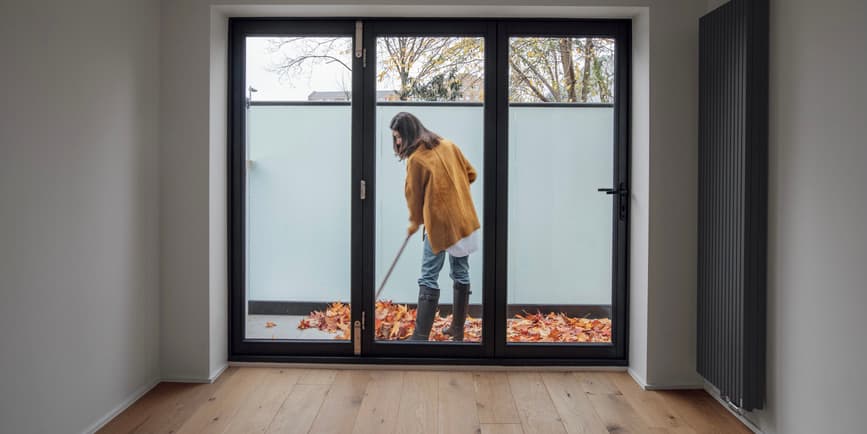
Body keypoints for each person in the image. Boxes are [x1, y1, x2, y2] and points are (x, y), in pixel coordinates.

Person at [390, 112, 481, 342]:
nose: (397, 142)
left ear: (408, 134)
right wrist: (454, 195)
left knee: (428, 276)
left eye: (398, 136)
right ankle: (457, 331)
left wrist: (414, 222)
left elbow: (414, 198)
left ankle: (420, 337)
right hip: (464, 220)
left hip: (440, 224)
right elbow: (471, 173)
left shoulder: (417, 160)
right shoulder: (448, 145)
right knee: (460, 271)